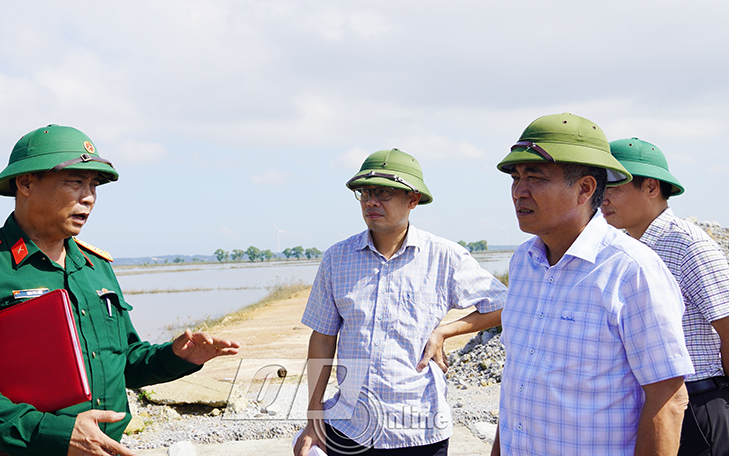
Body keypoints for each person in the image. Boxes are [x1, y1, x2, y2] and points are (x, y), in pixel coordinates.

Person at [0, 125, 240, 456]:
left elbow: (122, 362)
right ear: (26, 183)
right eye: (74, 182)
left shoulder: (96, 267)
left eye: (94, 184)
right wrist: (52, 432)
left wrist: (176, 357)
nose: (89, 196)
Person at [493, 113, 694, 456]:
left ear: (585, 189)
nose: (518, 192)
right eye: (516, 178)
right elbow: (519, 385)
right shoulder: (523, 263)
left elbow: (668, 398)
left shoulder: (631, 270)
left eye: (535, 178)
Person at [293, 148, 508, 456]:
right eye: (365, 192)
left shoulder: (444, 256)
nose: (371, 201)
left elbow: (503, 304)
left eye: (383, 192)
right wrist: (314, 416)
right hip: (350, 426)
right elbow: (323, 339)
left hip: (420, 430)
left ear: (413, 199)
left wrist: (444, 332)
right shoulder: (337, 259)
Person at [601, 137, 729, 456]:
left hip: (698, 406)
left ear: (651, 187)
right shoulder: (626, 249)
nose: (602, 198)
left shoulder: (688, 246)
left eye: (614, 187)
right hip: (653, 405)